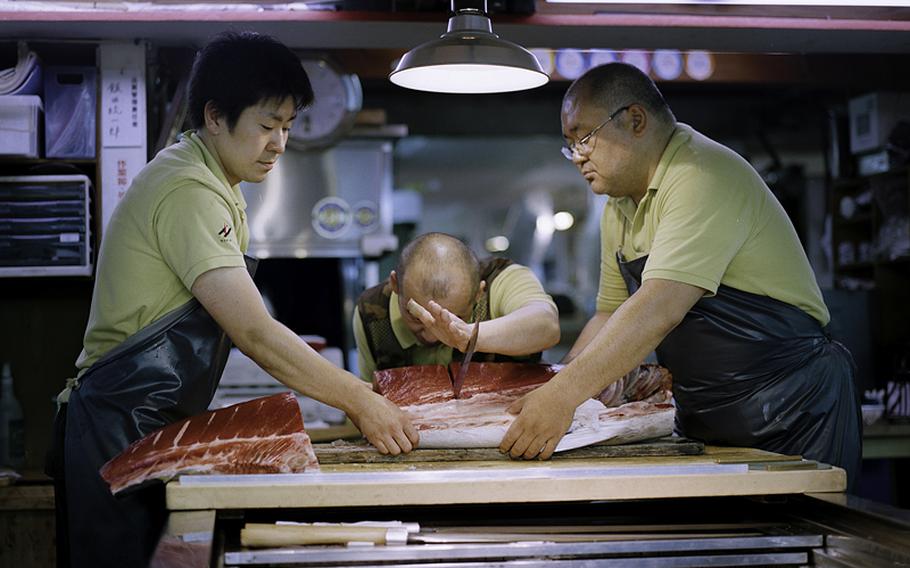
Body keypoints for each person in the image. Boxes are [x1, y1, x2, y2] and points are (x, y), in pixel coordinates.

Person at [48, 31, 417, 568]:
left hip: (144, 425)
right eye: (267, 126)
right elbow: (254, 331)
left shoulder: (216, 184)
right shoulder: (188, 189)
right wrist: (361, 400)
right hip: (115, 431)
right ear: (215, 116)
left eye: (287, 127)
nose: (280, 144)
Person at [499, 63, 862, 488]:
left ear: (635, 120)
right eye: (569, 145)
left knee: (794, 544)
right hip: (709, 417)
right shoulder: (620, 205)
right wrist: (556, 383)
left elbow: (659, 308)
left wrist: (563, 397)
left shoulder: (701, 176)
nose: (578, 155)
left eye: (584, 137)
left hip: (796, 410)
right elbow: (608, 315)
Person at [354, 232, 560, 381]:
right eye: (416, 317)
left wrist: (469, 336)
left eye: (455, 316)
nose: (432, 336)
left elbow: (546, 325)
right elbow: (370, 397)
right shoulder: (372, 312)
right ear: (395, 285)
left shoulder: (501, 279)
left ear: (479, 292)